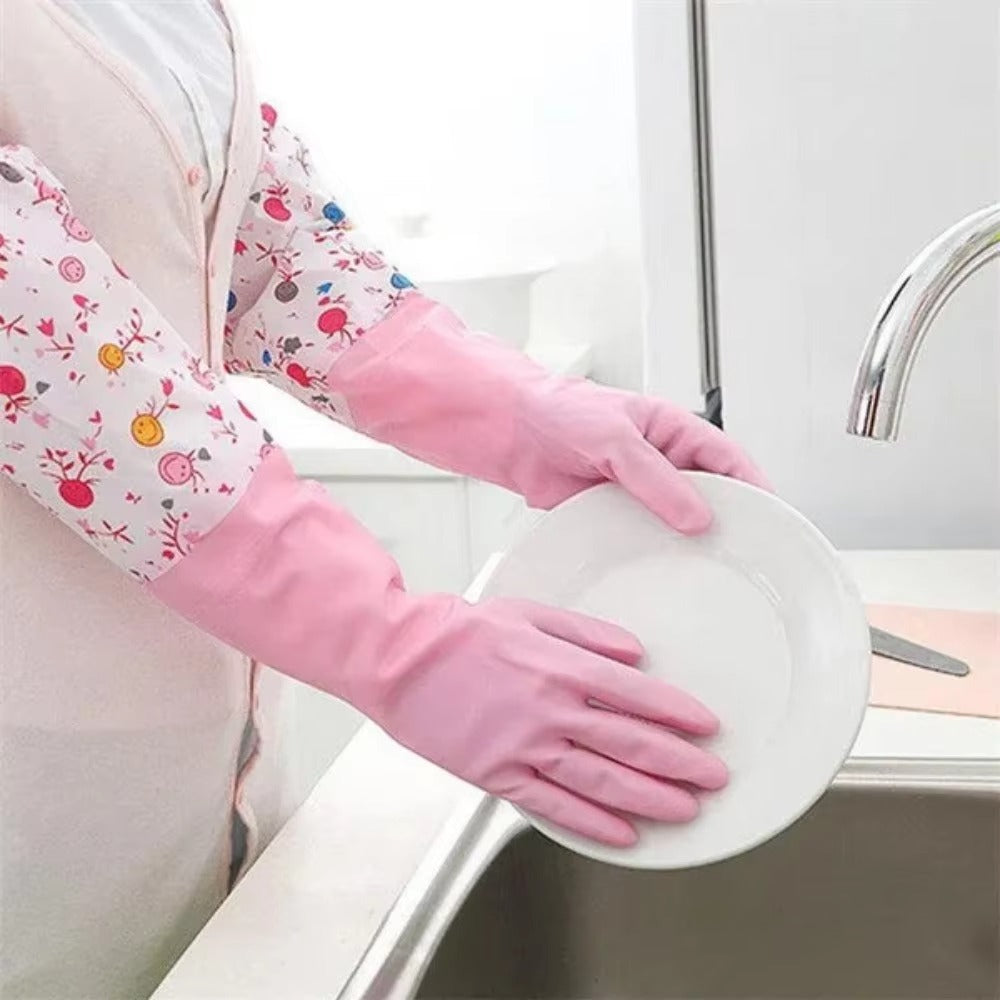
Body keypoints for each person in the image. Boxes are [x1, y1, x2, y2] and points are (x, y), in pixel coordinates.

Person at [0, 1, 766, 996]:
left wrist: (522, 410)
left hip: (201, 754)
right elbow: (53, 356)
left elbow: (276, 258)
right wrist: (392, 642)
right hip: (34, 777)